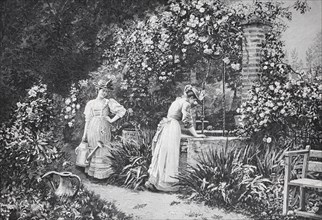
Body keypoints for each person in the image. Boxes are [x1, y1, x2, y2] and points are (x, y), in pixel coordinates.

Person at [145, 85, 206, 192]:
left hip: (167, 126)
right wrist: (195, 135)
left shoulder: (178, 101)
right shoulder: (186, 104)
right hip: (172, 127)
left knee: (164, 152)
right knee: (170, 153)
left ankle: (156, 180)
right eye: (195, 101)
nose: (195, 104)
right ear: (191, 98)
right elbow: (187, 121)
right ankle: (166, 183)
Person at [81, 79, 126, 180]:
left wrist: (111, 120)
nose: (104, 93)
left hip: (104, 128)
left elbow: (122, 111)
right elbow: (87, 120)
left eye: (106, 91)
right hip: (93, 127)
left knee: (103, 147)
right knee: (93, 147)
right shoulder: (91, 103)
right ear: (98, 90)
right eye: (103, 91)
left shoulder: (108, 102)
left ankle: (103, 174)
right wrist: (85, 134)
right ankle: (94, 173)